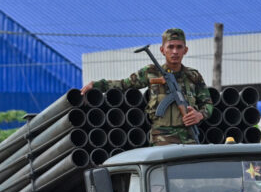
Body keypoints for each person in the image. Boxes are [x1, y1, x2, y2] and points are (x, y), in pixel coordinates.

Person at [81, 28, 213, 146]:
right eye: (170, 47)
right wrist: (97, 85)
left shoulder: (193, 76)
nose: (175, 51)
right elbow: (124, 84)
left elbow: (208, 104)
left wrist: (199, 115)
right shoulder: (150, 72)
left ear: (185, 50)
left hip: (189, 136)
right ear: (162, 50)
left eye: (179, 47)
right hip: (161, 138)